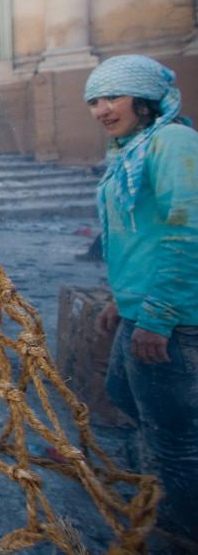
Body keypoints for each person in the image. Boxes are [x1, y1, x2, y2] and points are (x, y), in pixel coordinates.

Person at [88, 55, 198, 552]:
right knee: (126, 394)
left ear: (145, 100)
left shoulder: (172, 142)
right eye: (93, 100)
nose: (101, 110)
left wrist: (157, 316)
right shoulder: (130, 150)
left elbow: (186, 232)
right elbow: (137, 237)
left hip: (173, 316)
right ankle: (158, 488)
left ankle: (176, 528)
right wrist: (121, 297)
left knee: (173, 435)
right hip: (141, 308)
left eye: (112, 97)